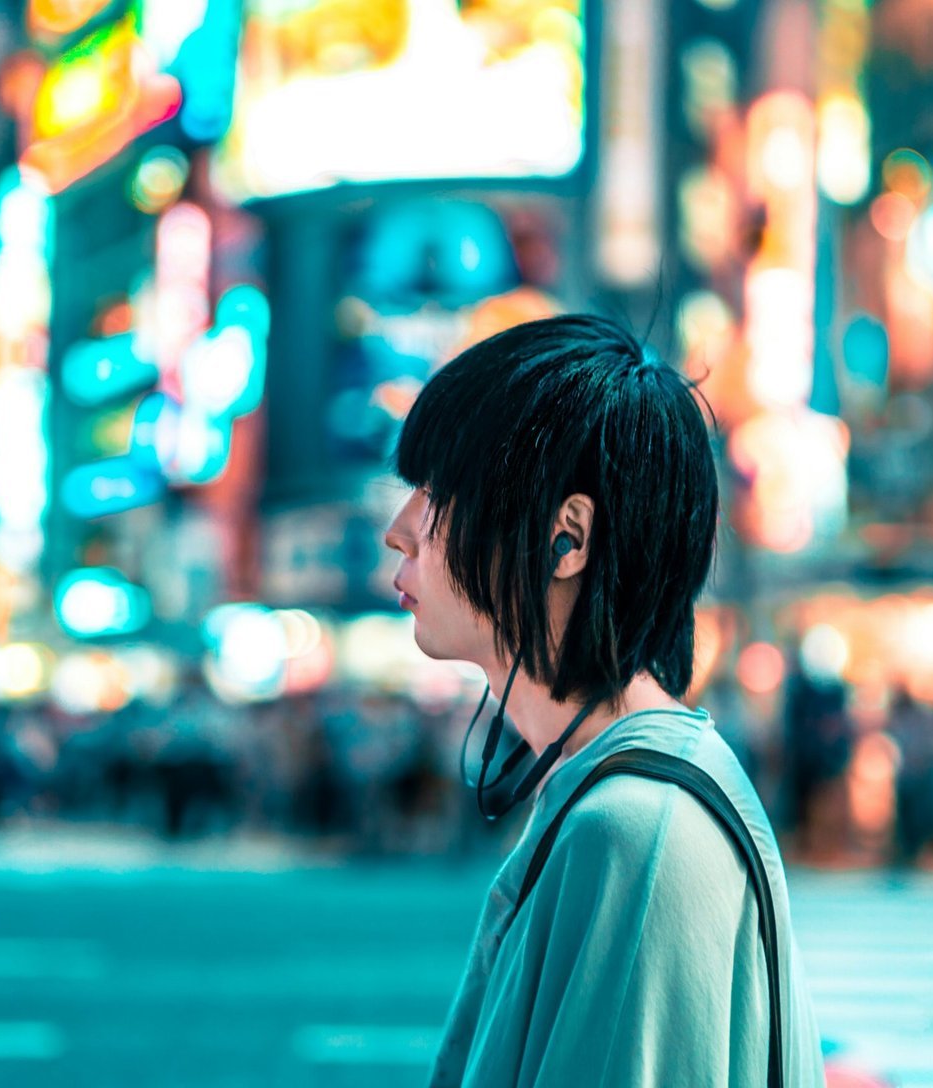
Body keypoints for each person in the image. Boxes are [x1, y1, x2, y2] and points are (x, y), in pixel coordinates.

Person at [383, 314, 826, 1088]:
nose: (400, 532)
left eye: (438, 496)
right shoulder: (613, 791)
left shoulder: (635, 831)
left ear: (567, 538)